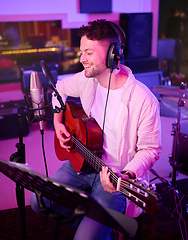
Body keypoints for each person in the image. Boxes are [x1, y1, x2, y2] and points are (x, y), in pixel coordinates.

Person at [30, 19, 162, 240]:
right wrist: (58, 122)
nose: (82, 59)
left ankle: (98, 226)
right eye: (81, 52)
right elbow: (58, 89)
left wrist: (126, 175)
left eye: (89, 53)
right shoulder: (86, 80)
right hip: (81, 163)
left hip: (114, 176)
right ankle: (99, 226)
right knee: (39, 201)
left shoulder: (143, 99)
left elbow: (150, 150)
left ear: (113, 54)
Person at [165, 8, 186, 79]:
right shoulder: (178, 19)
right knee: (179, 57)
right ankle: (177, 73)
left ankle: (170, 73)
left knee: (170, 58)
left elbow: (167, 31)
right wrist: (182, 16)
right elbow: (185, 21)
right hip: (177, 40)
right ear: (176, 13)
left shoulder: (169, 20)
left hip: (170, 41)